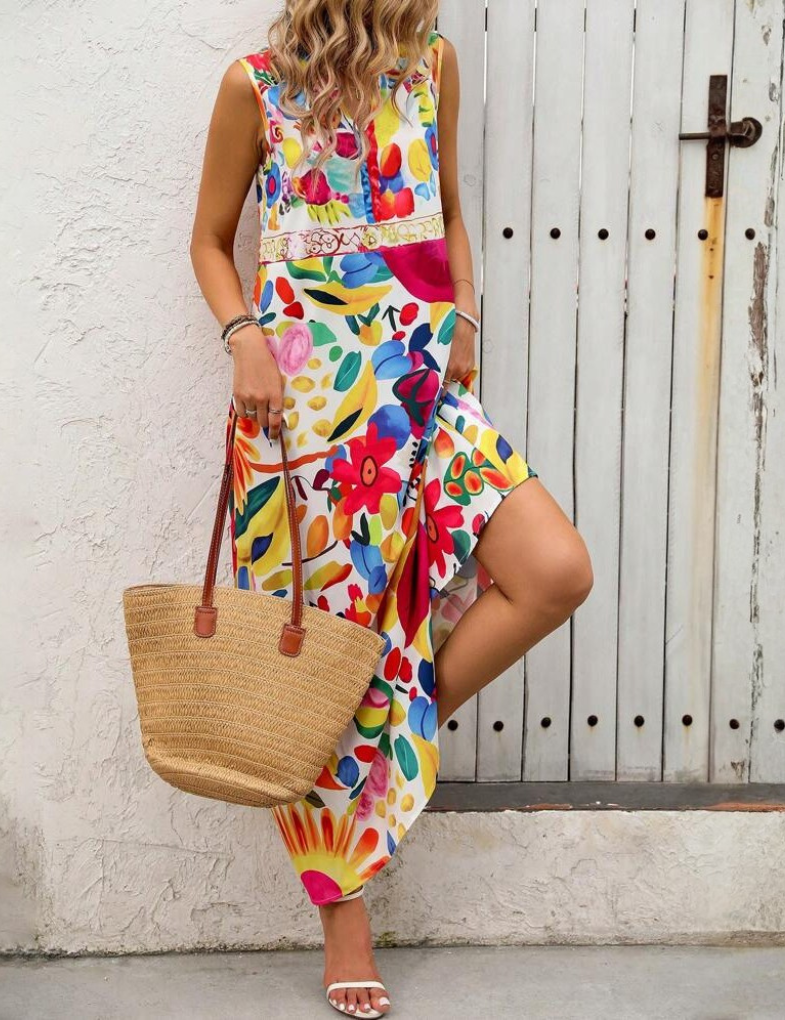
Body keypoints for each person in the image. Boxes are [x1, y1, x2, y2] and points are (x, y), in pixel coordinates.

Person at [189, 2, 593, 1015]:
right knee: (323, 644)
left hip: (423, 387)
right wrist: (242, 336)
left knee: (553, 571)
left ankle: (387, 723)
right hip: (307, 408)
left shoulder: (431, 66)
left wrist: (465, 310)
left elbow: (448, 210)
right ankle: (345, 918)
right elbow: (208, 241)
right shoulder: (253, 88)